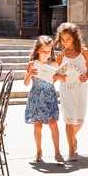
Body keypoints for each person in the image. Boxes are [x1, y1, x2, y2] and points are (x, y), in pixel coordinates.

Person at [55, 22, 88, 162]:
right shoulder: (60, 56)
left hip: (81, 89)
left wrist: (87, 75)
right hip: (66, 89)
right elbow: (56, 75)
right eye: (62, 40)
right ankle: (71, 150)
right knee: (69, 120)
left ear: (74, 38)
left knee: (79, 121)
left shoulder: (84, 51)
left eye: (68, 39)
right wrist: (60, 77)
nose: (65, 43)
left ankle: (73, 138)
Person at [24, 36, 64, 164]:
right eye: (44, 51)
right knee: (38, 125)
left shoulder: (53, 63)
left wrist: (58, 77)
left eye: (49, 51)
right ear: (37, 51)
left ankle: (57, 152)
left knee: (53, 123)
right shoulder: (32, 64)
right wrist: (30, 74)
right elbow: (26, 83)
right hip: (36, 96)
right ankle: (39, 151)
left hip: (49, 96)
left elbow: (63, 79)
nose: (47, 54)